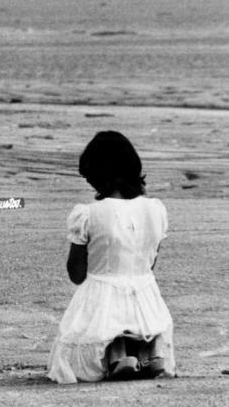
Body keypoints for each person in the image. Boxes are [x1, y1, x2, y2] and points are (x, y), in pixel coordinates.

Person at [47, 130, 176, 384]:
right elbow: (150, 264)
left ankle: (117, 358)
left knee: (104, 322)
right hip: (147, 302)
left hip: (102, 300)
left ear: (98, 175)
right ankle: (149, 354)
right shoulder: (155, 210)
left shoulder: (88, 214)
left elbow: (76, 273)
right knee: (138, 319)